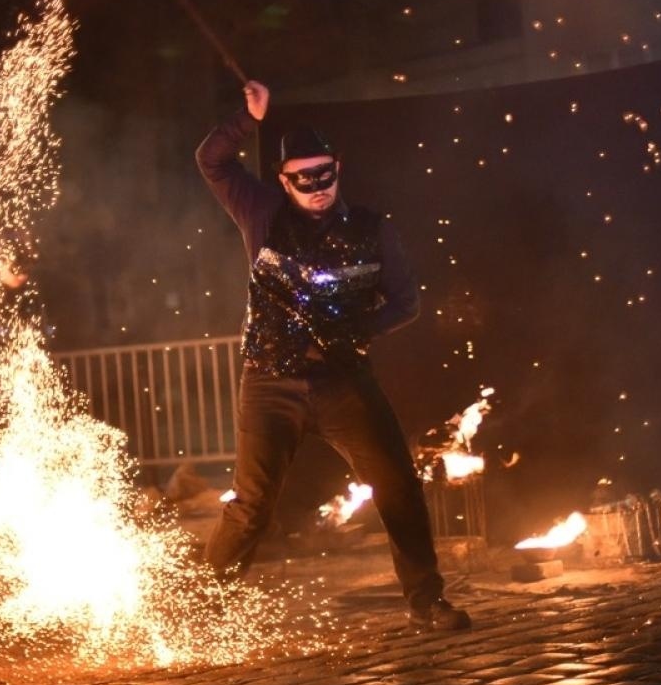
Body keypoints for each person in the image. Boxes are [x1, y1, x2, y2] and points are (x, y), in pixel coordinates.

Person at [196, 79, 471, 632]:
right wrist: (246, 120)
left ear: (338, 169)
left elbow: (407, 302)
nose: (317, 187)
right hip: (269, 381)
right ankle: (197, 609)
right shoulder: (262, 213)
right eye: (304, 179)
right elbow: (212, 160)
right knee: (252, 504)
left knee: (396, 484)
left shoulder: (373, 230)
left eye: (325, 175)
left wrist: (354, 331)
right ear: (284, 180)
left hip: (343, 382)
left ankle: (425, 599)